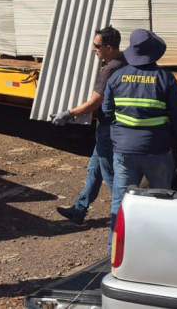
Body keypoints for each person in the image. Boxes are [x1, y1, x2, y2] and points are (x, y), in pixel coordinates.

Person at [103, 29, 177, 232]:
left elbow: (107, 113)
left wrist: (120, 136)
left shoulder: (116, 77)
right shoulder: (165, 79)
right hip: (157, 151)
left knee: (121, 204)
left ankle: (115, 251)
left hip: (124, 151)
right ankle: (159, 251)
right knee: (160, 203)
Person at [52, 26, 127, 225]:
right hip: (116, 127)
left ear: (109, 48)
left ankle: (124, 218)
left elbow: (95, 102)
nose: (94, 49)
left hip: (109, 129)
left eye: (97, 46)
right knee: (95, 169)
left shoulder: (109, 69)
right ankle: (79, 210)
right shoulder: (125, 61)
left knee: (111, 176)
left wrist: (69, 113)